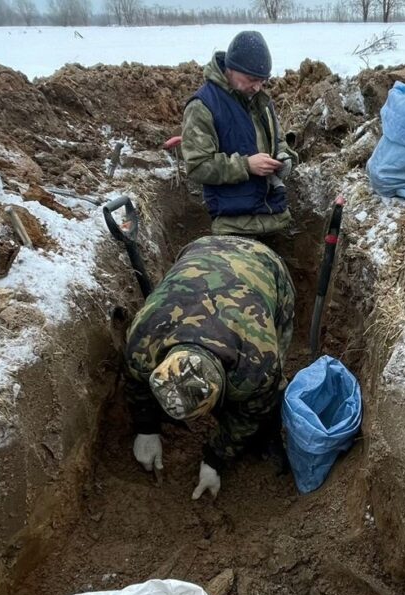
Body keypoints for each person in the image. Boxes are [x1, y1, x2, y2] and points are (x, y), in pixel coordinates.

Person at [125, 235, 294, 500]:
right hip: (200, 249)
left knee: (268, 394)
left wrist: (215, 459)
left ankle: (269, 435)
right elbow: (136, 382)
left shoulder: (257, 364)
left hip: (263, 264)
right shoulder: (143, 340)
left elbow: (247, 416)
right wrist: (146, 428)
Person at [182, 30, 297, 240]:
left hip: (275, 217)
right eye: (251, 79)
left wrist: (283, 156)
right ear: (231, 69)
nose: (257, 86)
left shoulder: (260, 101)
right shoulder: (203, 106)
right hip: (234, 227)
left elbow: (276, 141)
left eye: (262, 81)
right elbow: (198, 166)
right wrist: (246, 166)